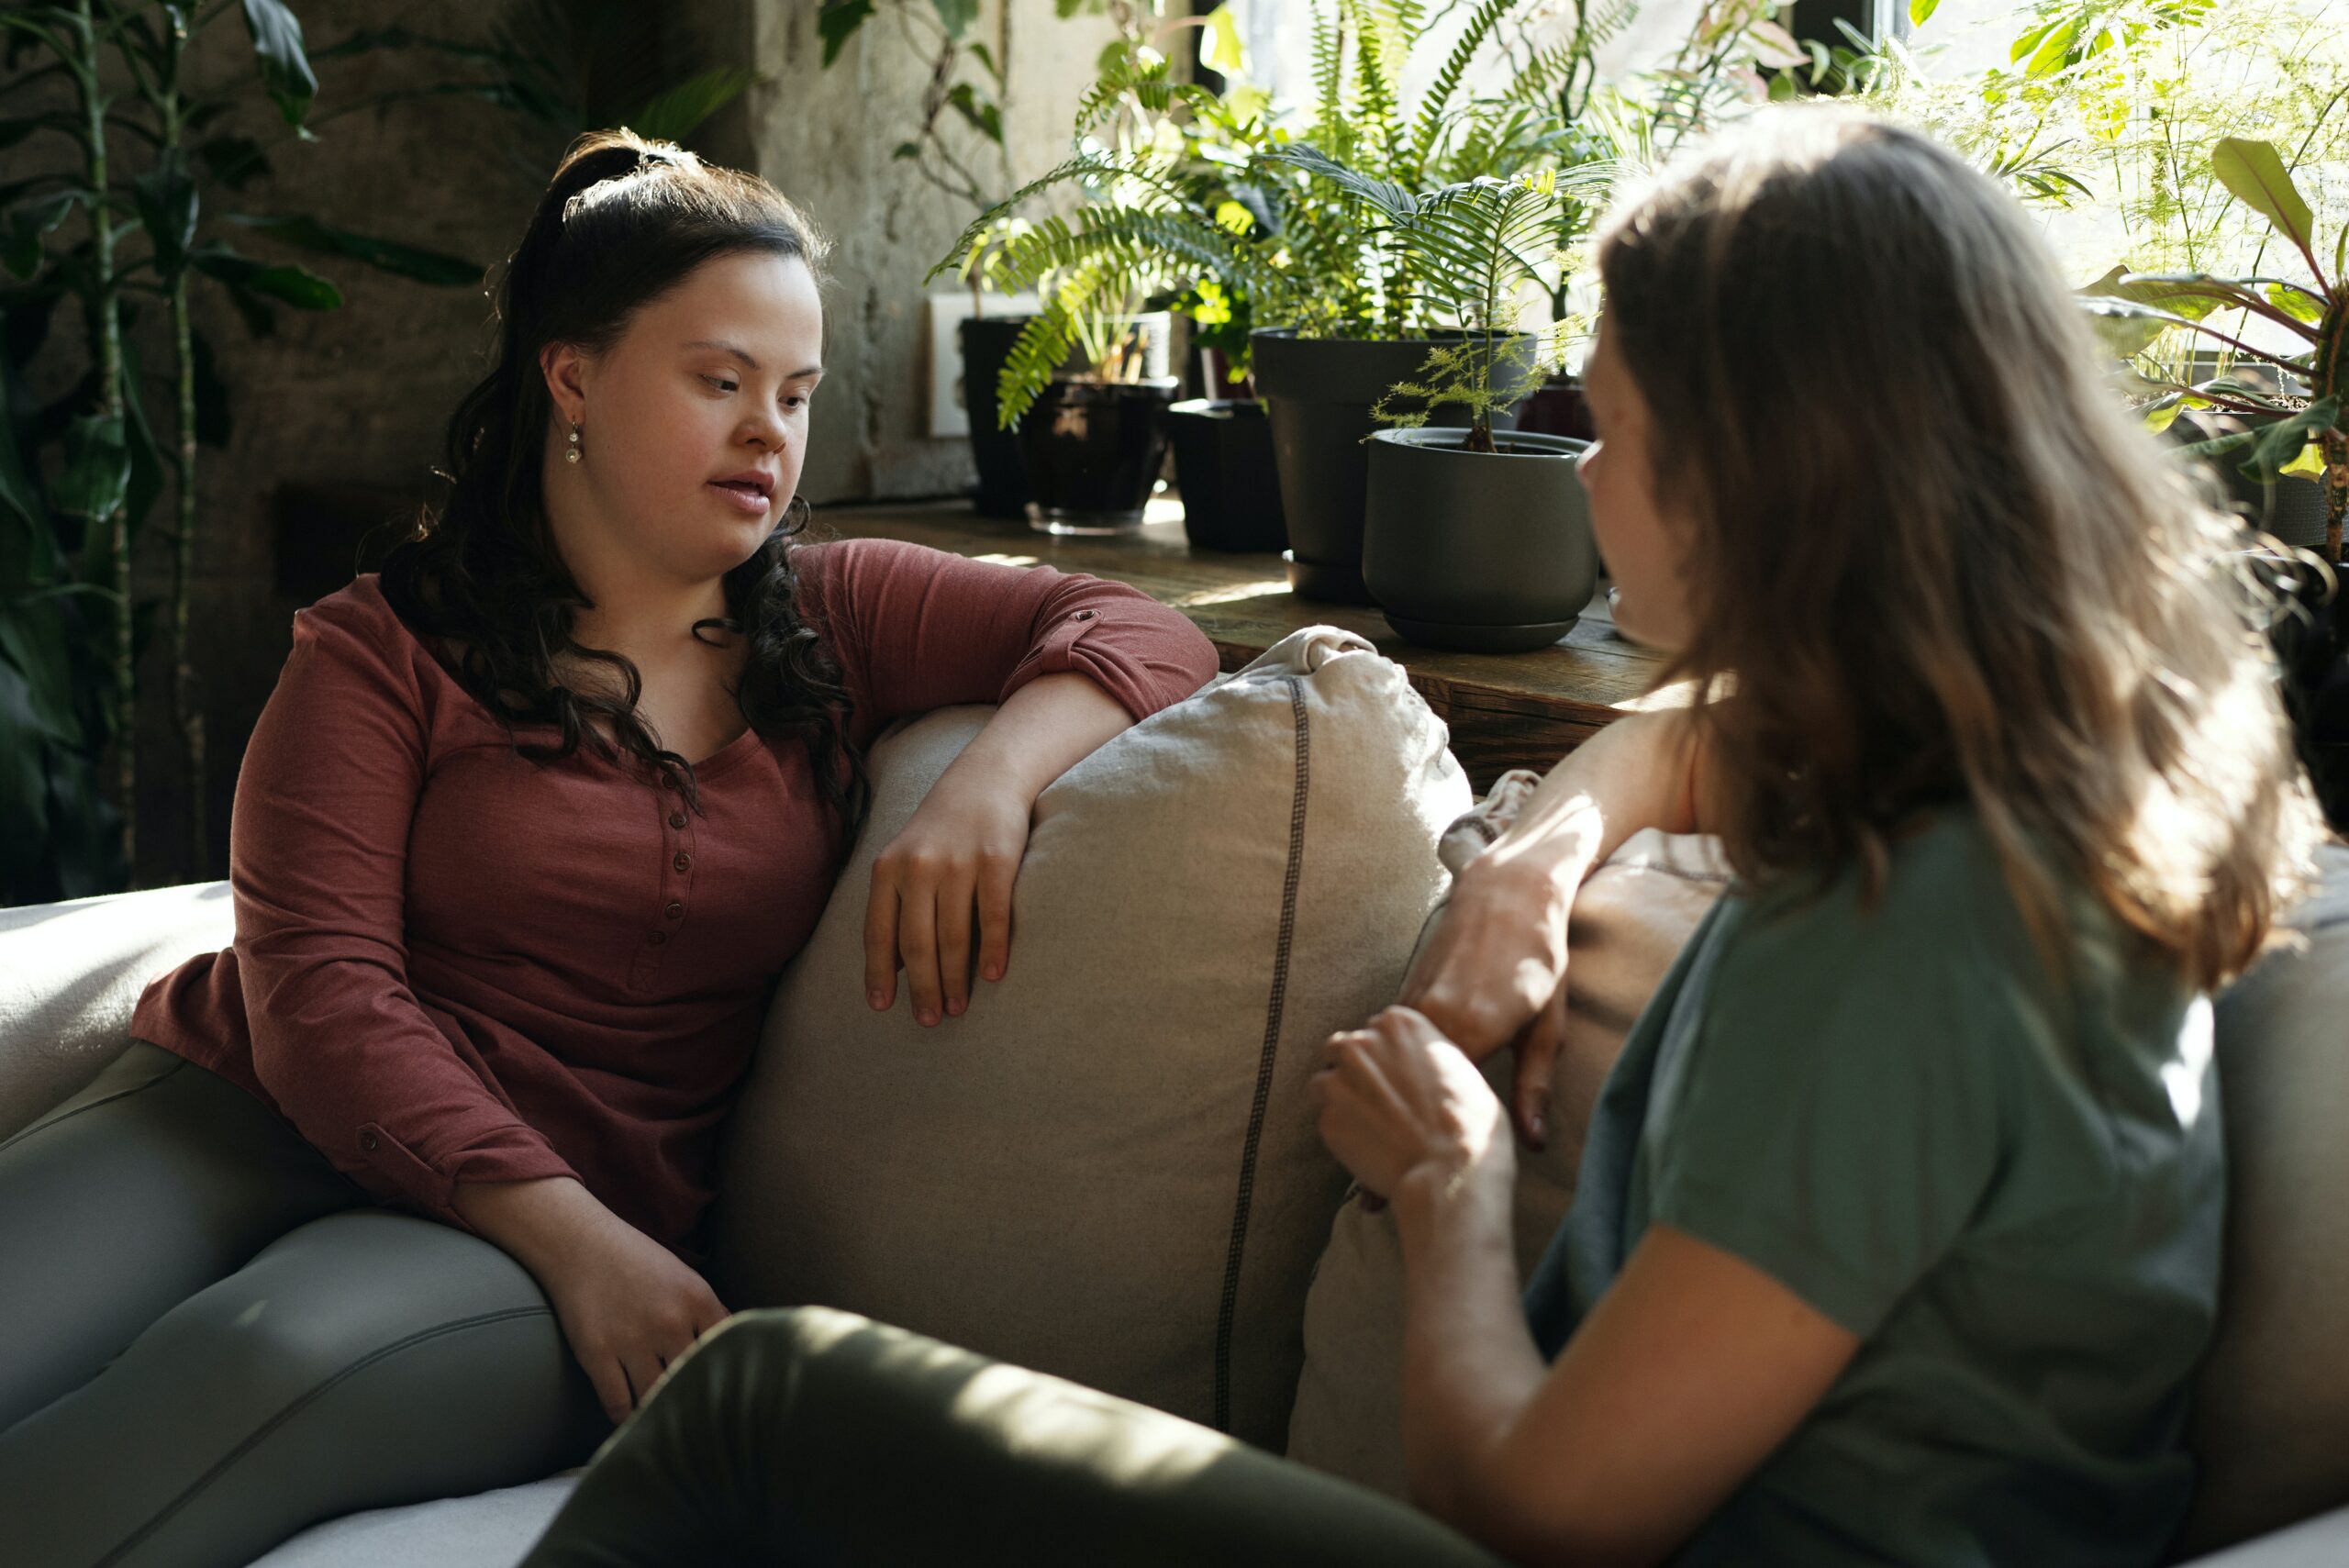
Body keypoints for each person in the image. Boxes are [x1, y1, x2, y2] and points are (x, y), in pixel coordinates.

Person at [512, 107, 2328, 1568]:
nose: (1576, 469)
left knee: (768, 1398)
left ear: (1759, 470)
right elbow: (1714, 738)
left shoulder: (1898, 961)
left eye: (1600, 422)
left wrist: (1449, 1189)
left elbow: (1543, 1504)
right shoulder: (2025, 797)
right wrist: (1539, 858)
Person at [0, 129, 1218, 1568]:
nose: (770, 432)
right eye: (721, 381)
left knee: (249, 1365)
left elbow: (1148, 629)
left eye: (798, 394)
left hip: (532, 1235)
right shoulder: (379, 652)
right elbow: (322, 996)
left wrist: (990, 783)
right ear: (570, 375)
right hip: (230, 1115)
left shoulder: (841, 613)